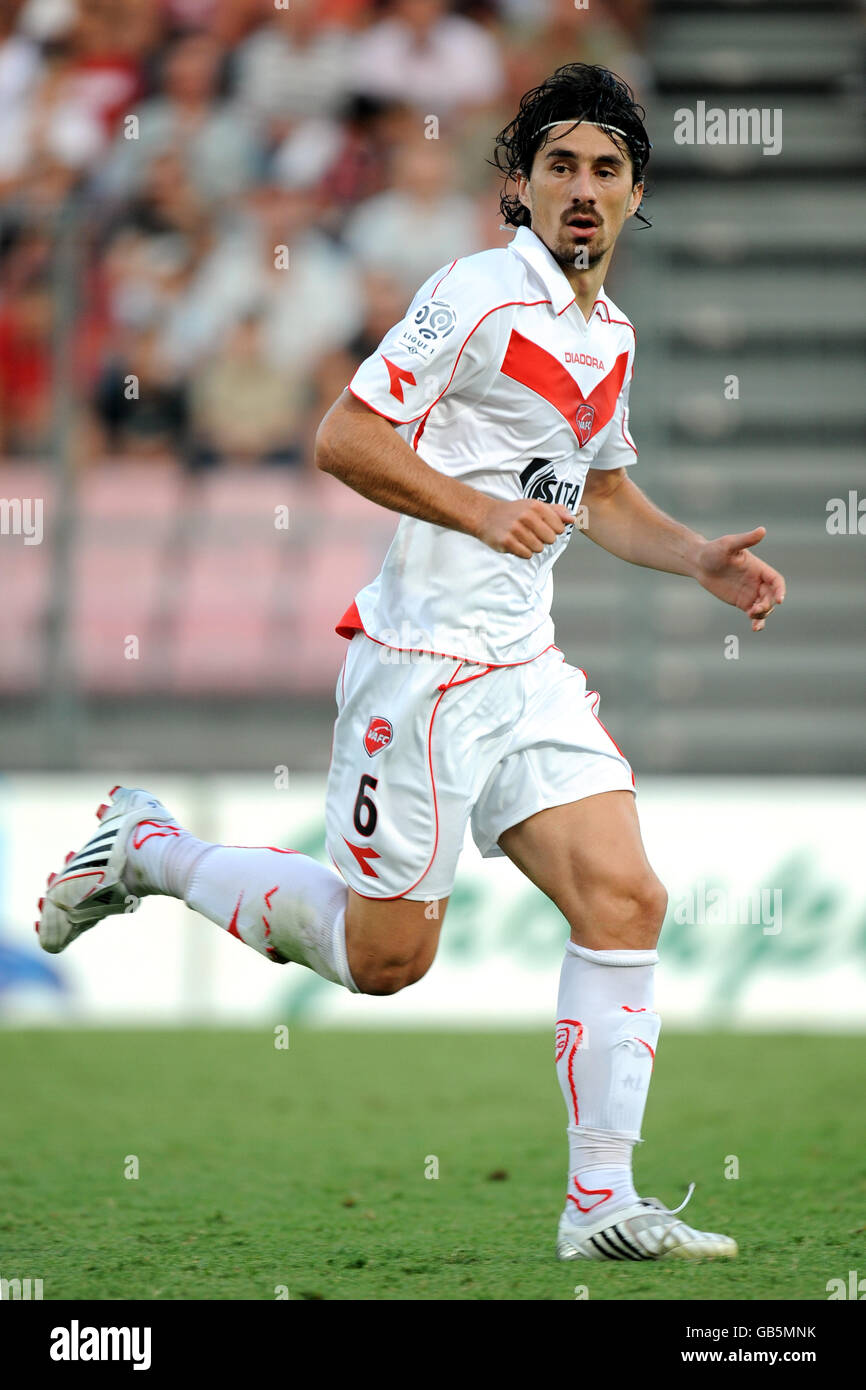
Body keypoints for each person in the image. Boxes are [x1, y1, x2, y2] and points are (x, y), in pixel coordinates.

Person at [37, 64, 786, 1264]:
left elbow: (595, 493)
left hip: (522, 663)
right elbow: (345, 434)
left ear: (636, 188)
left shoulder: (608, 333)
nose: (582, 189)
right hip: (422, 665)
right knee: (388, 960)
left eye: (605, 168)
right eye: (559, 166)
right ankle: (149, 851)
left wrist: (695, 555)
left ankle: (600, 1204)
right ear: (520, 188)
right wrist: (477, 514)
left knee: (624, 899)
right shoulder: (477, 296)